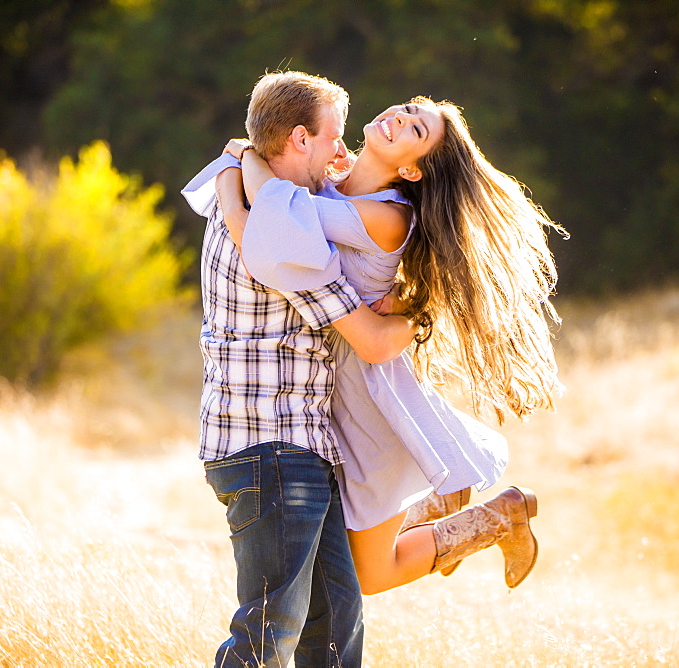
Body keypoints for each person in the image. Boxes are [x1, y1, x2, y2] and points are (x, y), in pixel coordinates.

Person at [213, 95, 566, 596]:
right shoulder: (339, 185)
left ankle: (498, 518)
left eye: (415, 131)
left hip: (367, 407)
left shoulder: (385, 215)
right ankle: (444, 501)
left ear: (413, 170)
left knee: (368, 575)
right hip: (328, 396)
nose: (399, 118)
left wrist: (239, 163)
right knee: (349, 550)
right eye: (407, 109)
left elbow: (275, 214)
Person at [181, 71, 419, 668]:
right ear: (298, 139)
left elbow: (249, 167)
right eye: (334, 137)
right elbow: (369, 340)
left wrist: (240, 160)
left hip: (298, 450)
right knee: (267, 636)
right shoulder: (280, 240)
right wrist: (428, 311)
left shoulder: (257, 201)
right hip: (270, 451)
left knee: (335, 633)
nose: (344, 152)